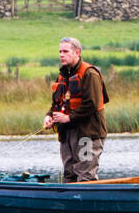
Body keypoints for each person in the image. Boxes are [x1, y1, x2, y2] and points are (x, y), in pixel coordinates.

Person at [43, 37, 108, 182]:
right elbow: (57, 103)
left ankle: (86, 204)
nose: (61, 55)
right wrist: (49, 116)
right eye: (60, 51)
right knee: (69, 175)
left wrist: (68, 118)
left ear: (77, 52)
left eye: (65, 51)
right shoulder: (63, 75)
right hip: (67, 134)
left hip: (88, 134)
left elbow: (92, 104)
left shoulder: (90, 74)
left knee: (85, 176)